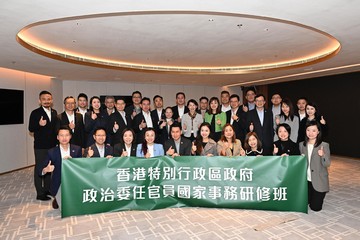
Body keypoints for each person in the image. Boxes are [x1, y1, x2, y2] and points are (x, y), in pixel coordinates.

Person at [40, 126, 82, 209]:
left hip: (74, 180)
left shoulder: (77, 149)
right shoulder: (52, 152)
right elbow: (41, 169)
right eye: (61, 135)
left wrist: (73, 162)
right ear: (57, 137)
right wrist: (45, 170)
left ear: (70, 136)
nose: (64, 138)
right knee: (64, 207)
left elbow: (81, 166)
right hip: (59, 182)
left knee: (76, 204)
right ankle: (58, 197)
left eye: (67, 135)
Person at [28, 90, 58, 201]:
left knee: (49, 168)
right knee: (40, 168)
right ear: (39, 101)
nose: (47, 101)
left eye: (49, 99)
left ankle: (47, 189)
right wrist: (39, 125)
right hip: (40, 146)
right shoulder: (35, 113)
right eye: (44, 99)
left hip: (52, 146)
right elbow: (31, 128)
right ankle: (40, 193)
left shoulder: (54, 112)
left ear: (52, 100)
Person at [299, 121, 331, 211]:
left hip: (319, 180)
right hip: (307, 180)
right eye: (308, 130)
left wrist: (323, 155)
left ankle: (319, 194)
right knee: (303, 203)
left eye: (314, 130)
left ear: (318, 132)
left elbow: (327, 164)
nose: (310, 133)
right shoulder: (302, 145)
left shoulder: (324, 145)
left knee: (315, 207)